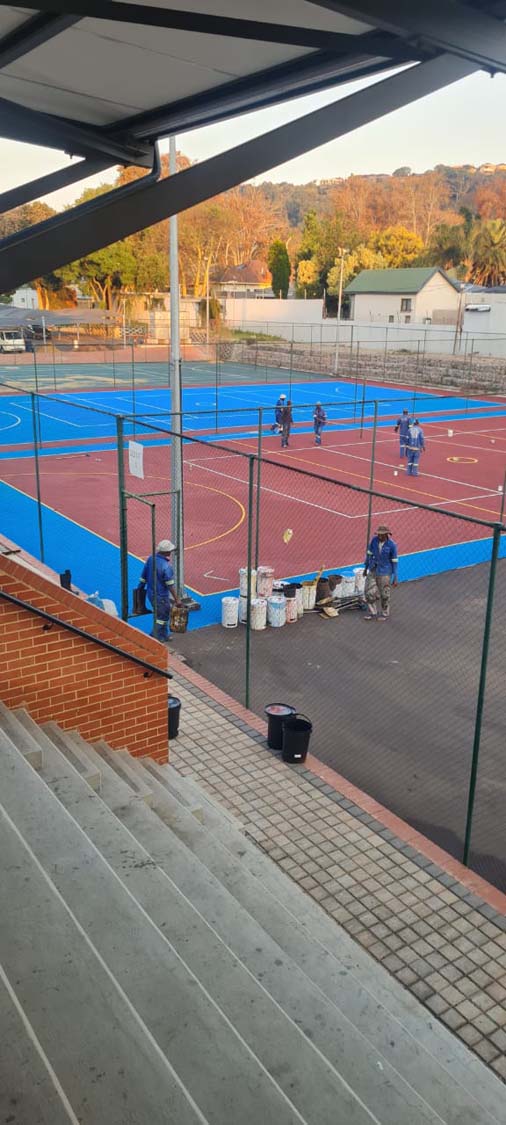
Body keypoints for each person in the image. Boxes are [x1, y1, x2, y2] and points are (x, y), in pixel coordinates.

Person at [138, 539, 180, 642]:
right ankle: (154, 637)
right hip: (161, 596)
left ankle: (164, 636)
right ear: (166, 552)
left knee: (162, 614)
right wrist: (177, 599)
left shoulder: (151, 559)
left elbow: (143, 576)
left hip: (151, 593)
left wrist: (140, 588)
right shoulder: (166, 566)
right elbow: (170, 585)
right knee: (162, 617)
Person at [362, 524, 398, 620]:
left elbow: (394, 561)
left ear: (387, 534)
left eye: (382, 535)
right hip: (373, 569)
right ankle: (372, 612)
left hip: (385, 572)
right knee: (368, 592)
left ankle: (384, 613)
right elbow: (369, 554)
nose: (379, 536)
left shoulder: (392, 545)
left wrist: (395, 577)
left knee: (384, 594)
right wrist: (366, 568)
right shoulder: (374, 541)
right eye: (378, 534)